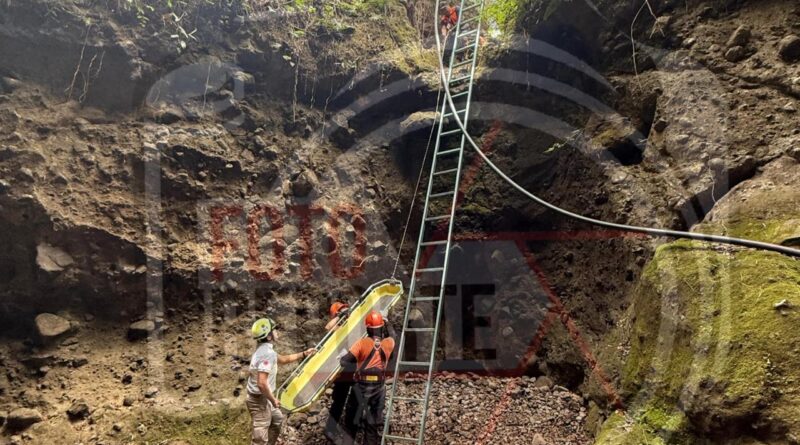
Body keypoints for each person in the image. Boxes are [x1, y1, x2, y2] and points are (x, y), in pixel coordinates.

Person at [247, 317, 316, 445]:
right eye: (274, 330)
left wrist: (304, 353)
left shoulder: (266, 350)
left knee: (277, 420)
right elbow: (261, 383)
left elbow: (283, 359)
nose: (277, 331)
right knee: (260, 437)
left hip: (265, 397)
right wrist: (273, 400)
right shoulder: (266, 353)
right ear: (268, 336)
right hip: (260, 399)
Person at [340, 310, 395, 445]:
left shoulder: (361, 343)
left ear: (367, 328)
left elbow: (344, 362)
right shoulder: (388, 344)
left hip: (361, 386)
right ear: (382, 327)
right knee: (372, 423)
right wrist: (387, 322)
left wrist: (347, 356)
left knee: (351, 421)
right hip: (379, 387)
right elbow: (393, 334)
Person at [324, 301, 353, 443]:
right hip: (342, 369)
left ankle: (350, 428)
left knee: (354, 399)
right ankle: (330, 429)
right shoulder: (335, 328)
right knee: (339, 401)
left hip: (354, 366)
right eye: (342, 311)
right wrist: (340, 316)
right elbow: (328, 327)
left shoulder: (352, 325)